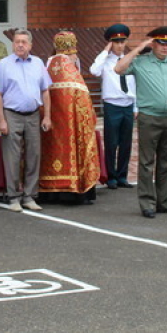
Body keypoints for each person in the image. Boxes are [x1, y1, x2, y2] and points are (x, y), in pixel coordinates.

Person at [115, 26, 167, 218]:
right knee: (147, 162)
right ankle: (147, 203)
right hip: (149, 117)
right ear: (153, 44)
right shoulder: (140, 62)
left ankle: (164, 201)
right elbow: (119, 68)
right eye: (161, 43)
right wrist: (138, 48)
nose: (165, 48)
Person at [0, 28, 52, 212]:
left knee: (33, 155)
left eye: (23, 42)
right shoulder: (4, 64)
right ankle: (13, 197)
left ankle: (29, 196)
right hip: (12, 114)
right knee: (12, 157)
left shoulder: (38, 63)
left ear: (30, 45)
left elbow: (45, 90)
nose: (20, 45)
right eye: (17, 41)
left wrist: (47, 116)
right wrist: (1, 120)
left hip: (33, 114)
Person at [39, 31, 100, 204]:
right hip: (71, 126)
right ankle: (72, 189)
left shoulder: (48, 67)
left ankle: (49, 190)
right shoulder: (72, 73)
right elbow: (84, 105)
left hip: (51, 124)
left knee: (52, 152)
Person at [89, 23, 136, 190]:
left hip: (128, 105)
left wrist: (135, 107)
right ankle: (111, 176)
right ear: (110, 43)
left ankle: (122, 176)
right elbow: (94, 70)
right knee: (111, 142)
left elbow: (134, 84)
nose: (120, 45)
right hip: (112, 105)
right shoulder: (105, 62)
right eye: (116, 42)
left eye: (123, 42)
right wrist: (105, 51)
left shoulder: (130, 60)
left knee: (126, 143)